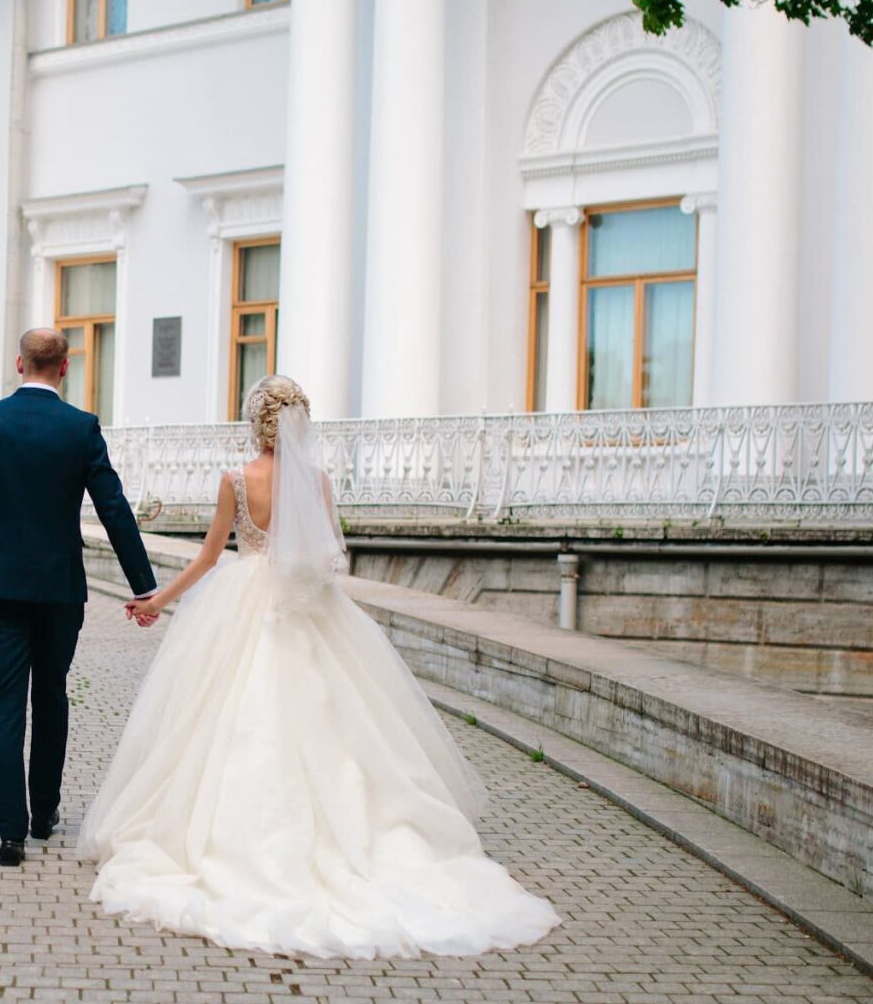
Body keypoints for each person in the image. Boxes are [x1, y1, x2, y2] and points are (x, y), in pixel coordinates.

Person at [79, 375, 560, 959]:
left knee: (229, 718)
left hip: (246, 600)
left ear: (256, 423)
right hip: (309, 609)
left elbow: (209, 557)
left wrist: (158, 599)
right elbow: (327, 555)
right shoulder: (318, 481)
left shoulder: (235, 480)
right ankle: (361, 837)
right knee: (341, 721)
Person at [0, 328, 159, 867]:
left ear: (19, 363)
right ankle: (43, 814)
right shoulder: (81, 429)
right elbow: (114, 509)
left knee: (6, 702)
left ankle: (10, 834)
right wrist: (144, 587)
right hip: (61, 589)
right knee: (53, 695)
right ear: (65, 368)